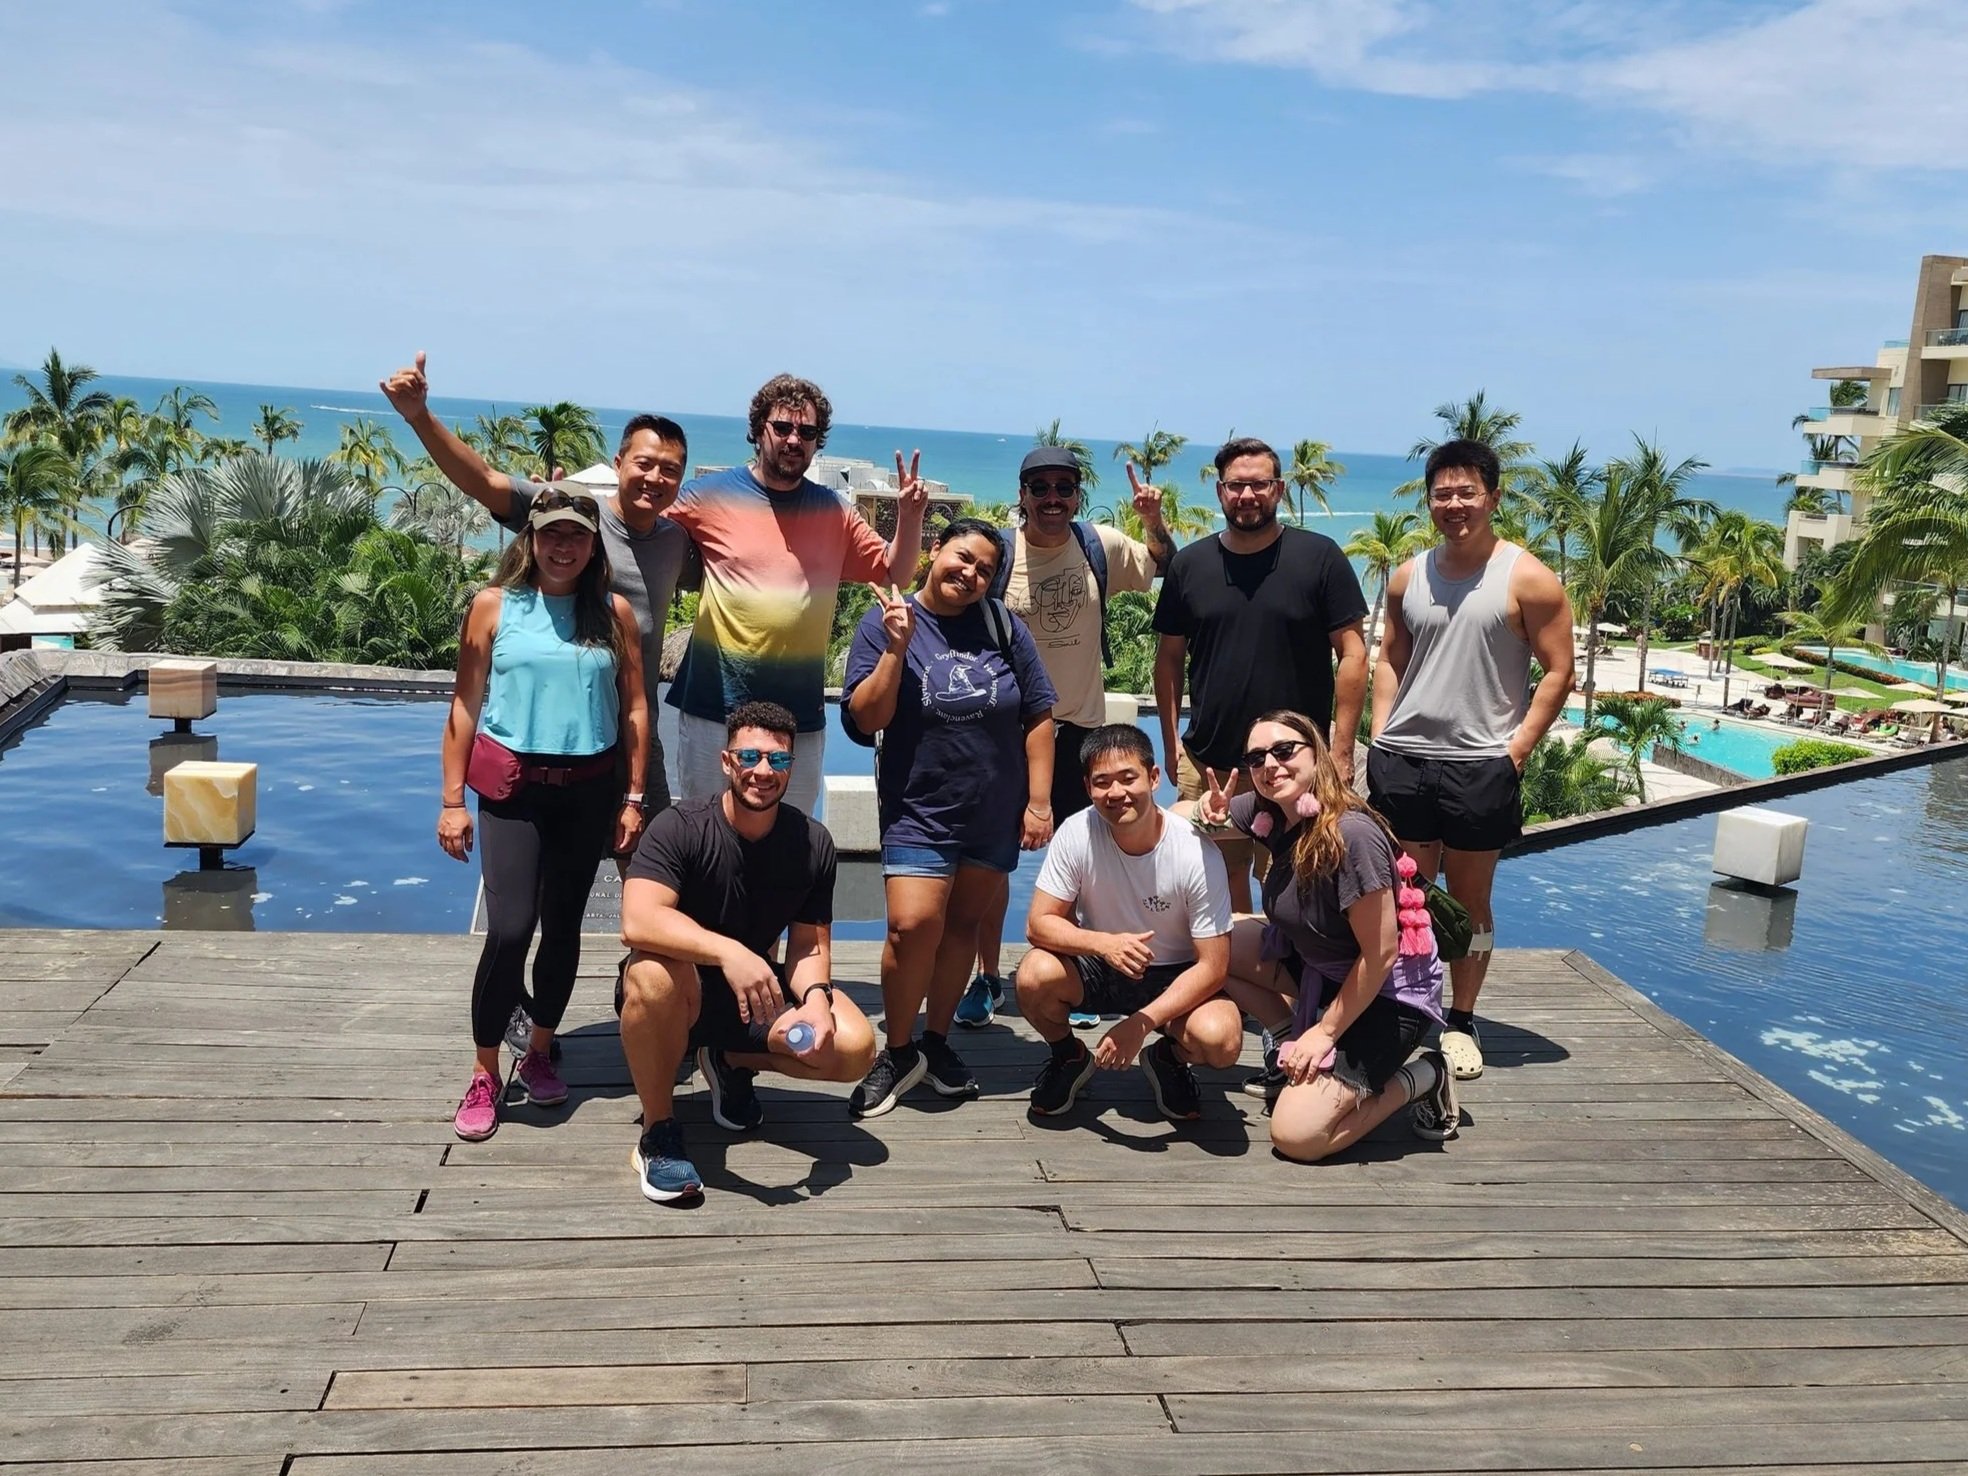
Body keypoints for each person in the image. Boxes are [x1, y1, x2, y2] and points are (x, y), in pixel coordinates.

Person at [382, 355, 690, 1054]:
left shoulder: (677, 540)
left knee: (649, 893)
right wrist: (419, 417)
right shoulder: (569, 519)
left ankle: (646, 1005)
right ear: (620, 463)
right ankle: (508, 1032)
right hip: (528, 762)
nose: (655, 477)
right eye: (644, 463)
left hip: (620, 751)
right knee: (518, 920)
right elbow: (483, 481)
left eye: (670, 468)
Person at [439, 490, 647, 1142]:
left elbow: (636, 708)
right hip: (512, 791)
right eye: (552, 535)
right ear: (530, 540)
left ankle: (539, 1050)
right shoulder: (494, 606)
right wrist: (451, 801)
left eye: (577, 537)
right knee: (509, 930)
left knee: (561, 930)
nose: (564, 547)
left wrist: (634, 797)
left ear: (593, 547)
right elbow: (466, 705)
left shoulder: (612, 614)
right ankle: (483, 1069)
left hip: (587, 792)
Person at [616, 700, 879, 1202]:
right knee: (651, 976)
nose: (763, 771)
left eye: (778, 760)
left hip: (754, 998)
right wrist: (730, 953)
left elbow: (808, 944)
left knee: (852, 1048)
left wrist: (818, 998)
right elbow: (638, 920)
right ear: (726, 761)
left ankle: (730, 1059)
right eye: (750, 757)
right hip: (680, 992)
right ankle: (659, 1130)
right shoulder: (681, 827)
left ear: (791, 768)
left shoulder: (812, 842)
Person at [1368, 438, 1573, 1081]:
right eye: (1443, 493)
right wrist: (1381, 734)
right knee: (1407, 895)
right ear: (1430, 499)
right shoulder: (1409, 574)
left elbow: (1559, 672)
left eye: (1467, 492)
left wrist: (1513, 753)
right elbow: (1390, 658)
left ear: (1493, 495)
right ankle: (1411, 1010)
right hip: (1404, 758)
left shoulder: (1529, 577)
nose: (1454, 504)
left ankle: (1460, 1020)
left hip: (1480, 764)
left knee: (1472, 903)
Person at [840, 519, 1058, 1116]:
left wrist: (1039, 801)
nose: (971, 574)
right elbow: (864, 720)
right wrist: (896, 648)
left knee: (963, 926)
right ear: (936, 551)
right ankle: (900, 1047)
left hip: (992, 808)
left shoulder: (1003, 627)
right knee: (912, 927)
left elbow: (1039, 713)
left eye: (986, 569)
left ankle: (936, 1042)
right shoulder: (887, 619)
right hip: (919, 807)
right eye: (963, 558)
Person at [957, 450, 1176, 1029]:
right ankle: (987, 978)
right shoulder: (999, 555)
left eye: (1064, 488)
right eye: (1040, 487)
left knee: (1085, 862)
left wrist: (1152, 521)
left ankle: (1081, 973)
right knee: (992, 864)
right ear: (1022, 493)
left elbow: (1166, 566)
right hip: (1008, 731)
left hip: (1081, 728)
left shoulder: (1098, 544)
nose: (1052, 498)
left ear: (1077, 495)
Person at [1199, 710, 1459, 1160]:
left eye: (1284, 751)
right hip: (1326, 970)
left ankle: (1427, 1076)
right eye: (1257, 757)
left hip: (1388, 996)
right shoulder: (1274, 812)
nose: (1270, 765)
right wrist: (1208, 813)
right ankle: (1284, 1040)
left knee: (1297, 1135)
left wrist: (1323, 1031)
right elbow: (1181, 818)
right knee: (1209, 946)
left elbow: (1380, 954)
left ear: (1315, 754)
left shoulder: (1351, 834)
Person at [665, 374, 927, 816]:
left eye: (806, 433)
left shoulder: (834, 510)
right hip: (715, 709)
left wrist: (910, 515)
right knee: (705, 837)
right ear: (758, 429)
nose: (793, 440)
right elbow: (641, 530)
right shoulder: (710, 495)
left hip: (799, 717)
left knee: (788, 847)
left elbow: (894, 571)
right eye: (782, 427)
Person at [1153, 437, 1368, 915]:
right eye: (1235, 486)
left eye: (1259, 485)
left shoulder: (1320, 558)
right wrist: (1170, 744)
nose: (1246, 496)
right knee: (1213, 883)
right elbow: (1168, 659)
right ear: (1220, 492)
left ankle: (1292, 984)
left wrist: (1341, 750)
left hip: (1296, 766)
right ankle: (1232, 980)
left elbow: (1353, 655)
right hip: (1211, 760)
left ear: (1279, 489)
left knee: (1296, 882)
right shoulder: (1190, 565)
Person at [1016, 724, 1239, 1122]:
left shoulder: (1194, 849)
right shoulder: (1077, 831)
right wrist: (1104, 944)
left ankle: (1167, 1058)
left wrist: (1140, 1025)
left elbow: (1214, 965)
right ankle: (1069, 1056)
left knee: (1221, 1039)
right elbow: (1038, 924)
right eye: (1102, 782)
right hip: (1102, 966)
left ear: (1153, 779)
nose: (1115, 793)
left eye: (1127, 778)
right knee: (1034, 975)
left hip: (1176, 973)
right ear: (1087, 788)